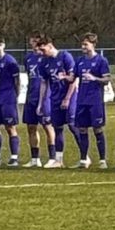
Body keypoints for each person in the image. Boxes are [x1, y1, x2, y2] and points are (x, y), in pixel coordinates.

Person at [36, 37, 77, 169]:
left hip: (69, 96)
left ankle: (84, 157)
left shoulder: (65, 56)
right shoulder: (44, 62)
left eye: (43, 49)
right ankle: (58, 160)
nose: (41, 53)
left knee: (73, 125)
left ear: (50, 45)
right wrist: (41, 103)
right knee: (57, 128)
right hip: (54, 98)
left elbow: (74, 79)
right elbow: (44, 83)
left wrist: (67, 98)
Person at [74, 33, 111, 169]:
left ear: (93, 44)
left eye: (86, 44)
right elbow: (73, 77)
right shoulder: (79, 61)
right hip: (81, 100)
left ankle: (102, 160)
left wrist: (95, 78)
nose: (83, 47)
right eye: (82, 44)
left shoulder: (101, 61)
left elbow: (107, 79)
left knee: (97, 129)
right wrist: (64, 77)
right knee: (82, 129)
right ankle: (83, 159)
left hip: (95, 101)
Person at [0, 38, 22, 167]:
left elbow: (17, 81)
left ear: (4, 46)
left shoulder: (10, 61)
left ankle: (14, 158)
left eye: (0, 44)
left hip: (8, 98)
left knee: (10, 127)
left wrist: (15, 96)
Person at [22, 32, 48, 167]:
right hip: (31, 96)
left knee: (48, 126)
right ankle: (35, 159)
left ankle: (53, 157)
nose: (35, 44)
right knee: (31, 127)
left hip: (44, 97)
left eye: (37, 41)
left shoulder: (46, 57)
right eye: (32, 41)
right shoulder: (28, 58)